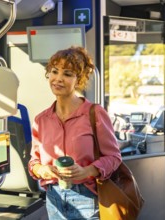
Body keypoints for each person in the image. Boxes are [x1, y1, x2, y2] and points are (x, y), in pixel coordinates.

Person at [28, 46, 122, 219]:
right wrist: (43, 170)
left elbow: (114, 158)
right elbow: (34, 162)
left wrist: (87, 171)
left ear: (79, 79)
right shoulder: (41, 120)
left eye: (67, 74)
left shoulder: (95, 113)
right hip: (53, 197)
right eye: (54, 71)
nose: (58, 79)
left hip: (86, 197)